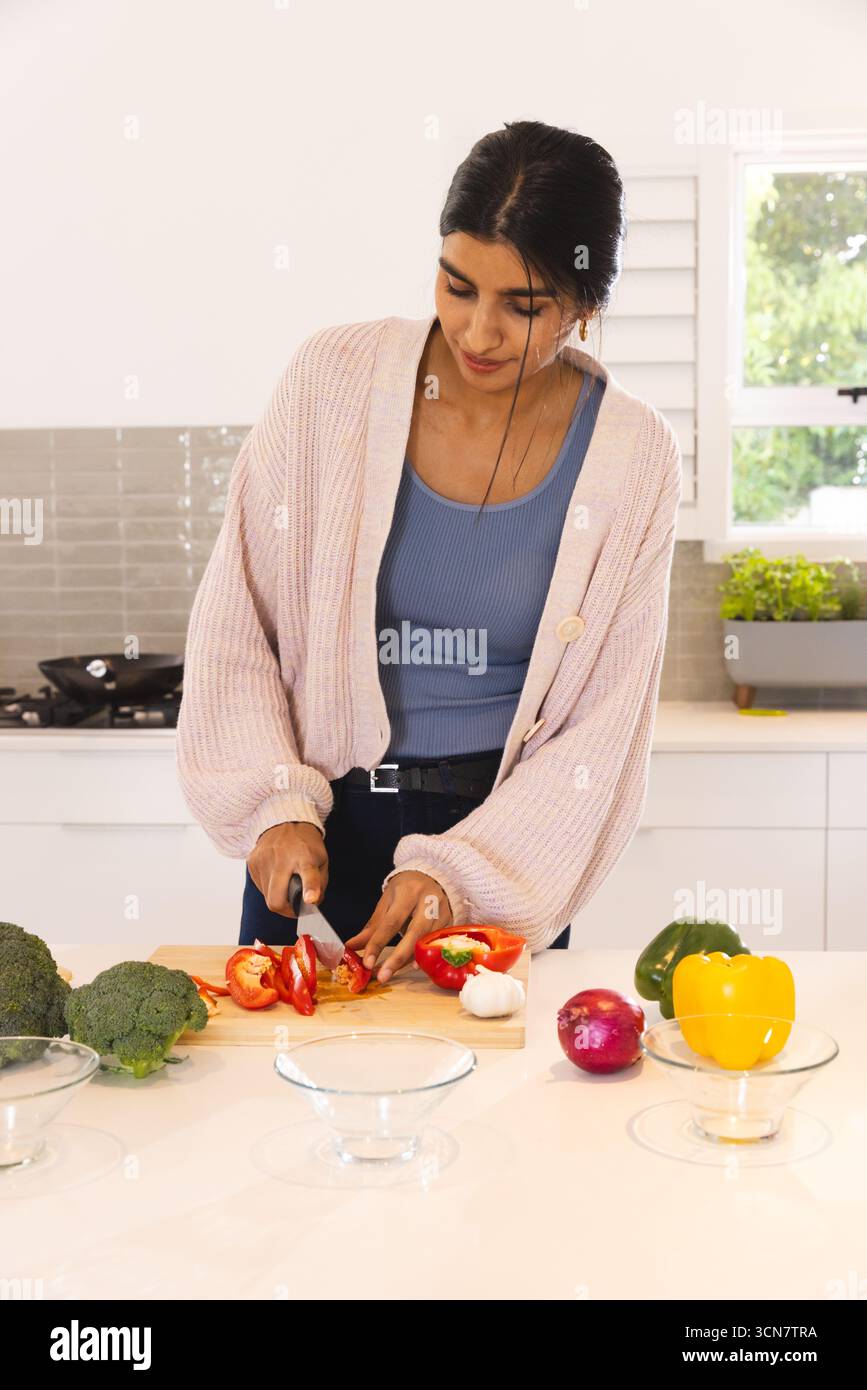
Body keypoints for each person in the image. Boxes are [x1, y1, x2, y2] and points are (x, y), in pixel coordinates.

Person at [176, 119, 682, 984]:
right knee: (273, 1109)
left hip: (505, 855)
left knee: (491, 1113)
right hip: (313, 832)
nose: (477, 333)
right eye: (456, 286)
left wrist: (459, 872)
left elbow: (602, 727)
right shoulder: (329, 382)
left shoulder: (633, 457)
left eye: (522, 307)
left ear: (586, 306)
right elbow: (238, 623)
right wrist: (272, 805)